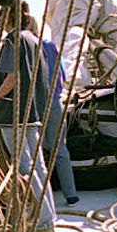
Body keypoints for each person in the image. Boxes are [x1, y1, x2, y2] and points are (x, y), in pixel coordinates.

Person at [0, 2, 58, 232]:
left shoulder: (11, 41)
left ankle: (44, 223)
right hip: (32, 113)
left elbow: (12, 79)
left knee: (24, 167)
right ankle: (50, 216)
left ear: (7, 17)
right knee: (39, 166)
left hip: (12, 115)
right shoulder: (33, 39)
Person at [24, 11, 80, 208]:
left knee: (34, 151)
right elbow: (61, 77)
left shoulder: (23, 46)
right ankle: (71, 195)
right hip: (55, 102)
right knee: (59, 148)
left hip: (34, 105)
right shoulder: (48, 46)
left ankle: (40, 197)